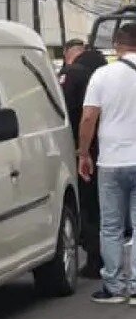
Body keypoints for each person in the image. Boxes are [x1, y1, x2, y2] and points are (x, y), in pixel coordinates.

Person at [78, 24, 136, 303]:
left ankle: (113, 287)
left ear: (116, 45)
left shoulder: (102, 75)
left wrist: (83, 154)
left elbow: (89, 117)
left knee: (111, 226)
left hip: (111, 161)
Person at [61, 47, 107, 278]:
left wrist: (82, 151)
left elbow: (75, 114)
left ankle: (95, 259)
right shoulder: (103, 70)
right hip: (109, 149)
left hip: (83, 148)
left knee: (87, 205)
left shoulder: (72, 75)